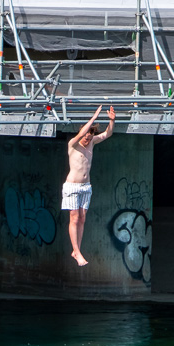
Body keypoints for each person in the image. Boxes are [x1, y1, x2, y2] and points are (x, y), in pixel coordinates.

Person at [63, 105, 115, 266]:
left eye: (90, 137)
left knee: (82, 218)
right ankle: (76, 251)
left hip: (86, 187)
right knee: (74, 218)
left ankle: (77, 250)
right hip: (72, 186)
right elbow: (80, 134)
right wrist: (93, 118)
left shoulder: (92, 142)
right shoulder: (73, 144)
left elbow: (107, 134)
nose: (87, 139)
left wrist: (111, 121)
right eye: (86, 136)